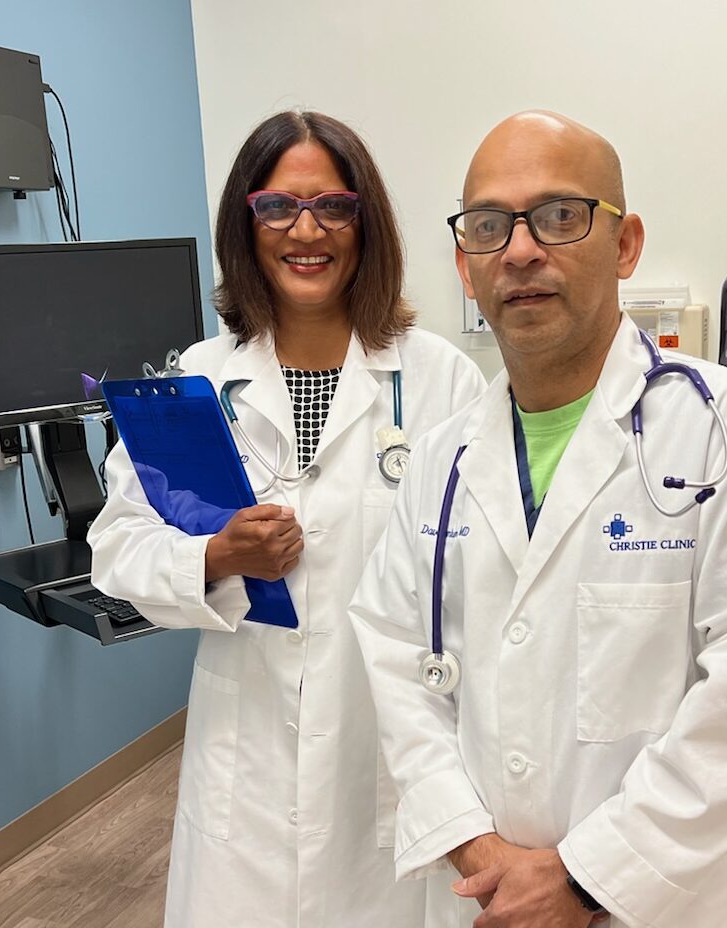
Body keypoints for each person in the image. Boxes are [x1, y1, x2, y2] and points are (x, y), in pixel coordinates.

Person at [348, 111, 727, 928]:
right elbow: (398, 664)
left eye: (559, 215)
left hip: (667, 901)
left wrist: (585, 879)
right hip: (484, 895)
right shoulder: (438, 461)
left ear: (625, 244)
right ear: (467, 270)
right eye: (487, 226)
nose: (520, 249)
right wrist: (474, 847)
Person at [89, 110, 486, 928]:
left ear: (363, 223)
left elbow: (485, 571)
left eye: (332, 207)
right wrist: (215, 556)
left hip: (390, 753)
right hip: (248, 765)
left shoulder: (440, 379)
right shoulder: (198, 378)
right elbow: (117, 547)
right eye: (278, 207)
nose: (306, 231)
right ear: (248, 223)